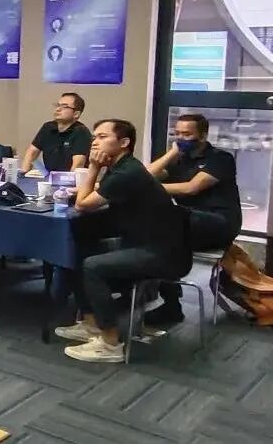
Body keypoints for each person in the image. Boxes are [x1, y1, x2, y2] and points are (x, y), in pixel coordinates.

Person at [55, 119, 190, 363]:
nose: (95, 142)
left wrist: (93, 167)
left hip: (163, 253)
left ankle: (110, 344)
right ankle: (91, 324)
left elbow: (83, 204)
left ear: (124, 142)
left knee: (93, 266)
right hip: (140, 242)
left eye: (102, 137)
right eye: (94, 137)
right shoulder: (120, 167)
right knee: (76, 248)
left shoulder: (128, 173)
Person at [144, 113, 241, 325]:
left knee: (165, 222)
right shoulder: (179, 159)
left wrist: (148, 189)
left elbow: (191, 188)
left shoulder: (220, 158)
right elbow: (144, 177)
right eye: (177, 133)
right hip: (187, 223)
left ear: (203, 136)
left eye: (187, 134)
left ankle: (166, 300)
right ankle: (168, 302)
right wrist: (171, 154)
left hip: (219, 222)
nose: (180, 138)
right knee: (154, 236)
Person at [21, 93, 92, 173]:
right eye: (57, 105)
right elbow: (31, 152)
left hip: (69, 178)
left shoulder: (81, 132)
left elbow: (78, 165)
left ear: (76, 114)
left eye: (64, 106)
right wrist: (24, 173)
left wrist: (68, 180)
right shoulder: (48, 127)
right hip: (50, 177)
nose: (58, 109)